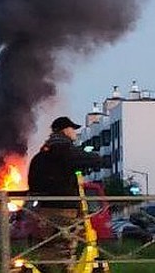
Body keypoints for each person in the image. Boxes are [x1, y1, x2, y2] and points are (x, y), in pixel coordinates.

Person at [26, 116, 105, 273]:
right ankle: (66, 269)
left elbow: (32, 181)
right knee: (67, 244)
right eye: (73, 129)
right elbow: (93, 160)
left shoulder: (40, 156)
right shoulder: (65, 151)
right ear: (65, 130)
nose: (75, 132)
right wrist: (97, 158)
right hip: (66, 208)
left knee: (48, 244)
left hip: (44, 209)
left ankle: (47, 268)